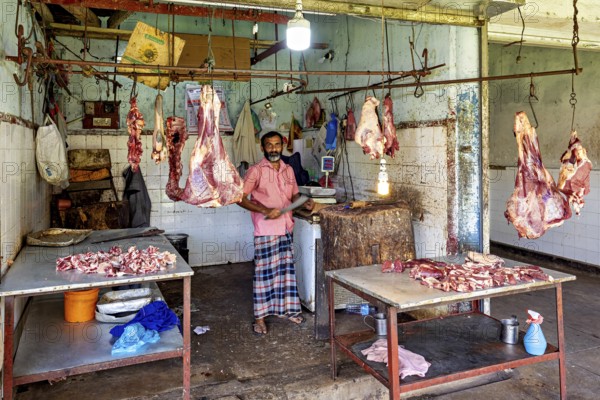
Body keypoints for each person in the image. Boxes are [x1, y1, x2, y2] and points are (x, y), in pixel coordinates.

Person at [238, 131, 314, 335]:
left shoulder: (288, 170)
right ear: (262, 148)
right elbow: (241, 198)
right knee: (264, 275)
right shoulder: (256, 171)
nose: (273, 149)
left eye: (277, 144)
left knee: (285, 272)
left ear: (283, 146)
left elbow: (294, 194)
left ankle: (287, 310)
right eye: (269, 145)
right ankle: (260, 318)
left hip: (286, 227)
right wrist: (264, 210)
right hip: (266, 230)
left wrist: (303, 201)